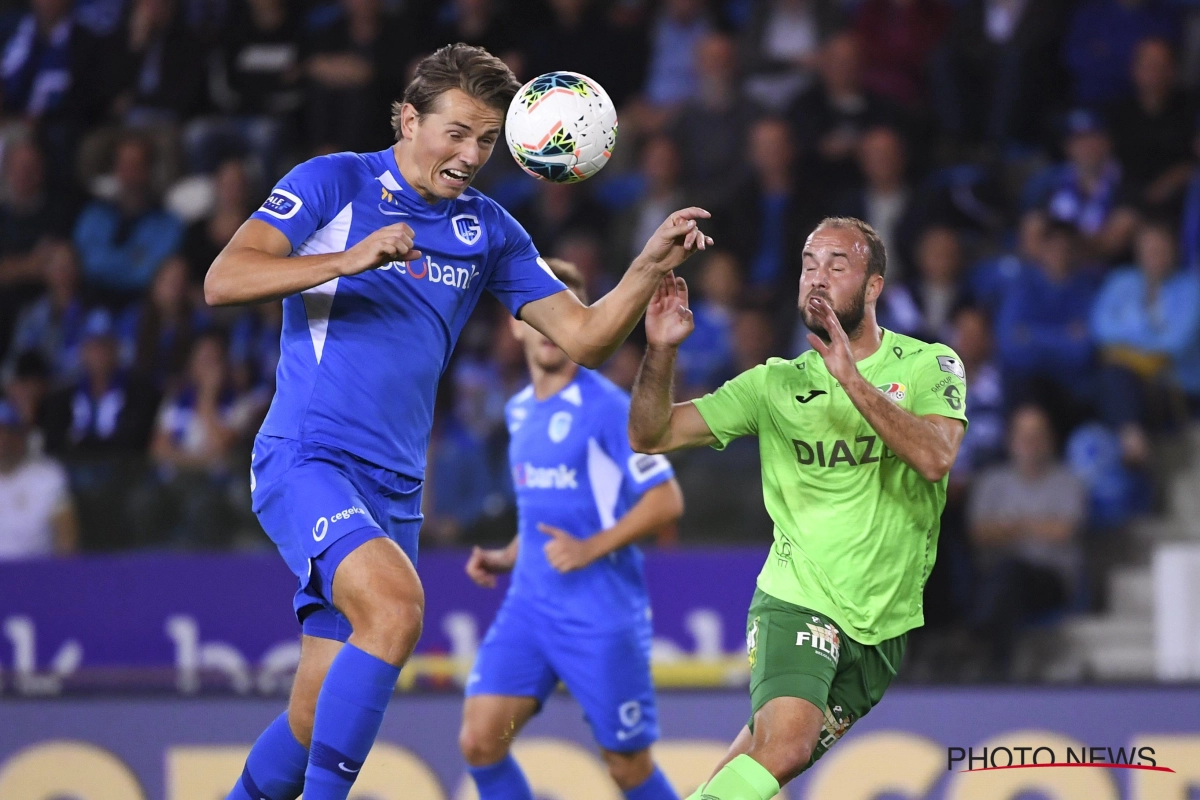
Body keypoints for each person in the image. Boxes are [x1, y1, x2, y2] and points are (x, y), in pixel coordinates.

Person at [205, 43, 712, 800]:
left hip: (396, 487)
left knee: (312, 713)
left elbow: (583, 337)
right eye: (457, 132)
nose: (472, 154)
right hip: (309, 458)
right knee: (399, 608)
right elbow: (224, 279)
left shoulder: (490, 229)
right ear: (408, 119)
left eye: (487, 139)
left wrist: (646, 263)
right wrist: (344, 261)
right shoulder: (333, 182)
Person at [628, 216, 967, 799]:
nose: (818, 278)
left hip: (884, 624)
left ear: (873, 286)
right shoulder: (775, 384)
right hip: (798, 597)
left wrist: (852, 381)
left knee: (760, 762)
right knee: (785, 747)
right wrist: (659, 351)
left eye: (837, 266)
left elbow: (936, 457)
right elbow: (651, 434)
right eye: (809, 265)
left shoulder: (929, 365)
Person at [459, 258, 684, 800]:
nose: (551, 330)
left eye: (567, 315)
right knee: (480, 742)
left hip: (599, 614)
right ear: (516, 321)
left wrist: (589, 549)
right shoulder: (516, 411)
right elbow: (545, 513)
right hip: (530, 607)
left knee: (627, 767)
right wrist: (510, 554)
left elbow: (666, 501)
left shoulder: (609, 407)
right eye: (540, 314)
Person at [0, 399, 78, 559]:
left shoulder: (48, 475)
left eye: (9, 432)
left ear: (22, 435)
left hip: (36, 573)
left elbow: (66, 537)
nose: (4, 441)